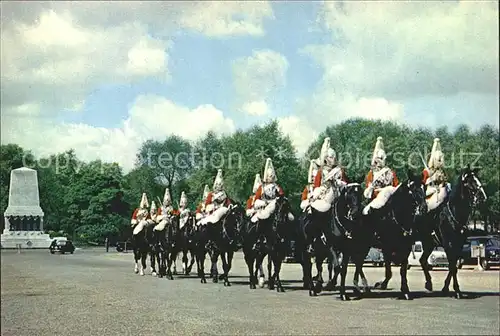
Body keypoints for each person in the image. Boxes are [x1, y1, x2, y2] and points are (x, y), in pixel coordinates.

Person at [309, 137, 348, 214]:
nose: (333, 159)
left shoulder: (339, 170)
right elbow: (316, 186)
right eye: (331, 157)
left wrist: (339, 182)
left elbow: (345, 183)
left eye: (334, 157)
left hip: (338, 193)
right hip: (323, 195)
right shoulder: (321, 171)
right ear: (326, 158)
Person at [362, 136, 400, 215]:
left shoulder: (391, 172)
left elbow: (396, 188)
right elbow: (367, 191)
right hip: (374, 200)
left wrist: (385, 190)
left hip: (389, 200)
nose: (380, 161)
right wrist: (370, 188)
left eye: (382, 159)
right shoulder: (371, 173)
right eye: (379, 159)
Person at [251, 158, 294, 223]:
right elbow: (257, 199)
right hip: (265, 207)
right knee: (255, 220)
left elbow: (281, 195)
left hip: (276, 205)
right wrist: (264, 203)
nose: (271, 177)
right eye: (270, 176)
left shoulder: (277, 186)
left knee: (289, 217)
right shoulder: (262, 187)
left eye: (272, 176)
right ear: (266, 176)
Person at [422, 138, 450, 211]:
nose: (440, 162)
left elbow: (445, 180)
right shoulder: (427, 171)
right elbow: (424, 183)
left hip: (441, 189)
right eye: (438, 160)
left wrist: (442, 184)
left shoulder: (443, 171)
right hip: (431, 189)